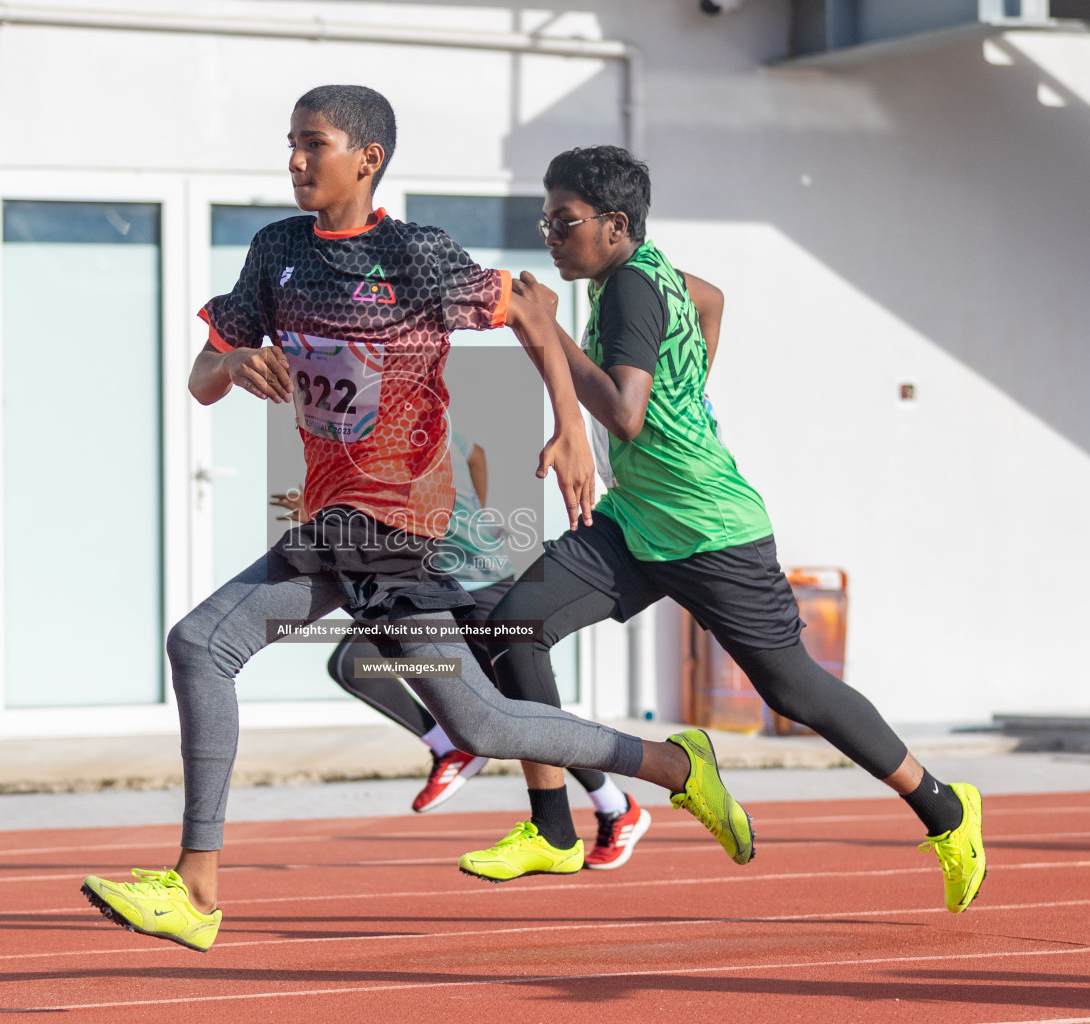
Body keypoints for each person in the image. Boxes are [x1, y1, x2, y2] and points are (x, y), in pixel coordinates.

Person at [80, 88, 755, 953]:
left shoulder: (417, 255)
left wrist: (569, 428)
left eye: (311, 145)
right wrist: (237, 363)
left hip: (392, 519)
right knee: (478, 720)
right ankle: (670, 766)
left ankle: (196, 886)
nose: (293, 160)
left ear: (366, 158)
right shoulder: (276, 252)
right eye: (288, 143)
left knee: (202, 644)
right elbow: (202, 377)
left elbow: (533, 311)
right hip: (335, 517)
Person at [457, 145, 986, 917]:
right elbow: (712, 300)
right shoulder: (638, 273)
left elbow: (625, 412)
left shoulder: (631, 289)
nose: (550, 233)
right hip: (636, 522)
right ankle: (554, 828)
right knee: (514, 627)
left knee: (793, 689)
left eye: (564, 221)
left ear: (616, 224)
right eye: (544, 218)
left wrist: (547, 331)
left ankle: (947, 810)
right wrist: (689, 391)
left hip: (711, 529)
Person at [287, 430, 651, 869]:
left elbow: (396, 498)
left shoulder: (406, 423)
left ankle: (614, 804)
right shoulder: (381, 421)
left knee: (525, 705)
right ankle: (449, 745)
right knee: (353, 664)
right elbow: (475, 455)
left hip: (476, 580)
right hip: (425, 585)